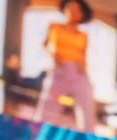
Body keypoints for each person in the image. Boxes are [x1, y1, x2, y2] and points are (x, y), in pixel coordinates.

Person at [35, 0, 98, 132]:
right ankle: (40, 136)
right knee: (48, 108)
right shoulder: (54, 27)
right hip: (60, 69)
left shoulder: (83, 36)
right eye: (70, 8)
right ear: (65, 10)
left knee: (87, 108)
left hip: (78, 72)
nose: (72, 12)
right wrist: (52, 56)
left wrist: (83, 68)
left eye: (76, 10)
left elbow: (82, 55)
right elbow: (44, 45)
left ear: (81, 15)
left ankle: (87, 137)